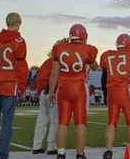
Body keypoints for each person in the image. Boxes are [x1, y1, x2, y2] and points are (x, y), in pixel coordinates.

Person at [48, 24, 99, 159]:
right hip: (79, 88)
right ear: (84, 36)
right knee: (80, 122)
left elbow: (54, 73)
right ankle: (80, 154)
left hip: (63, 88)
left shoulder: (59, 48)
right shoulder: (88, 49)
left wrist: (51, 91)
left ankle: (60, 154)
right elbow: (95, 67)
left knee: (62, 122)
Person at [0, 12, 28, 159]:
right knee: (6, 124)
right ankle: (2, 155)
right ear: (17, 23)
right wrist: (22, 87)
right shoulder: (19, 41)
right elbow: (21, 66)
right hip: (9, 84)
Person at [100, 33, 130, 159]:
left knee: (111, 123)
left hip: (111, 92)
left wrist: (105, 93)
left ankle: (108, 151)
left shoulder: (107, 55)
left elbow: (104, 77)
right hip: (125, 91)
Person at [32, 56, 58, 154]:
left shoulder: (46, 62)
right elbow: (56, 75)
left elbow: (39, 77)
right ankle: (51, 147)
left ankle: (36, 146)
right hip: (53, 91)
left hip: (43, 91)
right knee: (55, 121)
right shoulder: (58, 61)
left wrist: (40, 92)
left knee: (41, 120)